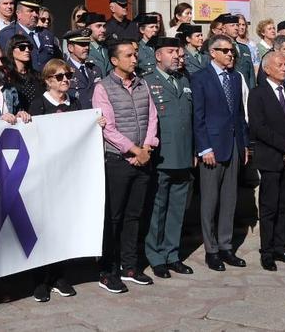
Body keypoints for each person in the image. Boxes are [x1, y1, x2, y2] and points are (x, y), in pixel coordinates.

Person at [92, 39, 159, 293]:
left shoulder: (143, 84)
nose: (135, 59)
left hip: (143, 158)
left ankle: (130, 266)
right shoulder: (103, 88)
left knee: (134, 215)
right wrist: (133, 149)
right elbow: (107, 127)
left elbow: (152, 116)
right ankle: (108, 270)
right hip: (118, 161)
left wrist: (148, 147)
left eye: (135, 55)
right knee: (114, 217)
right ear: (114, 60)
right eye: (129, 55)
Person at [25, 59, 88, 303]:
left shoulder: (75, 103)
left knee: (63, 227)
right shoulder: (39, 104)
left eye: (68, 76)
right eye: (60, 77)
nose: (65, 80)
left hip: (67, 176)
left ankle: (60, 275)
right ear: (49, 80)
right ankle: (40, 280)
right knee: (43, 228)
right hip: (44, 177)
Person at [190, 34, 250, 271]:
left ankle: (226, 246)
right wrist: (204, 147)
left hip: (233, 145)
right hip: (211, 148)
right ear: (212, 52)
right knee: (210, 200)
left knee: (229, 198)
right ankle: (211, 249)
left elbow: (239, 115)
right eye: (225, 50)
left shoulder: (235, 78)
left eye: (232, 51)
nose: (230, 54)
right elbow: (198, 116)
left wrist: (244, 145)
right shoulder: (200, 79)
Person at [143, 37, 196, 280]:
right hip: (162, 157)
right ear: (157, 56)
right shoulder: (147, 82)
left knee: (177, 209)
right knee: (158, 209)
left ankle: (172, 254)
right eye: (170, 51)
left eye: (178, 51)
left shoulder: (184, 80)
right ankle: (155, 257)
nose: (176, 56)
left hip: (184, 155)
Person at [249, 51, 285, 270]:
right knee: (269, 206)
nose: (284, 68)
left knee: (284, 206)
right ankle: (267, 251)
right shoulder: (258, 94)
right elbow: (259, 128)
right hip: (271, 157)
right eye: (280, 65)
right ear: (267, 69)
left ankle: (280, 246)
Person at [0, 0, 60, 72]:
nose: (35, 15)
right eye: (31, 11)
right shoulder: (7, 35)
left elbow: (57, 62)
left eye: (37, 11)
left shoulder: (47, 35)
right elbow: (1, 64)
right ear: (18, 13)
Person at [5, 33, 46, 111]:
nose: (27, 50)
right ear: (12, 51)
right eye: (22, 47)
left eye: (29, 47)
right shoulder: (7, 77)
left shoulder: (37, 76)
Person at [62, 29, 98, 107]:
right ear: (70, 47)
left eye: (87, 44)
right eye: (82, 44)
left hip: (97, 115)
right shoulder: (64, 71)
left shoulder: (95, 69)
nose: (86, 48)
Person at [84, 13, 113, 77]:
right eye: (98, 26)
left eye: (104, 26)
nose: (103, 30)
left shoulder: (107, 48)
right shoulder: (84, 49)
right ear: (88, 28)